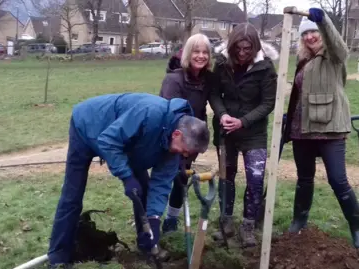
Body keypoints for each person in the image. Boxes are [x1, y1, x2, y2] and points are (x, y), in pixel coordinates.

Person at [46, 93, 210, 268]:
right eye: (185, 150)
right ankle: (58, 256)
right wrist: (127, 177)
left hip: (128, 144)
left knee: (144, 189)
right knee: (73, 194)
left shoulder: (173, 146)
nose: (185, 155)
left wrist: (154, 219)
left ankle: (147, 243)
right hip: (88, 126)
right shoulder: (149, 113)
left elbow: (161, 185)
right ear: (176, 134)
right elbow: (108, 141)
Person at [282, 8, 359, 250]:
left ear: (321, 33)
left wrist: (323, 21)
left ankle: (358, 229)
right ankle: (299, 220)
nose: (310, 37)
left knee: (337, 180)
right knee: (304, 179)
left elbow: (340, 47)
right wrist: (287, 120)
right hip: (302, 130)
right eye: (305, 34)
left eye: (313, 32)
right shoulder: (303, 60)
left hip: (330, 127)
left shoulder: (334, 56)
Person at [209, 23, 279, 247]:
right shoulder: (221, 64)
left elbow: (268, 102)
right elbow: (214, 93)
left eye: (247, 49)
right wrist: (222, 115)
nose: (241, 53)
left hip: (253, 132)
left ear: (255, 47)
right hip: (226, 130)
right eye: (237, 48)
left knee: (256, 178)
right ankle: (226, 221)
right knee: (226, 176)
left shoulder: (265, 68)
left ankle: (248, 225)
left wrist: (244, 121)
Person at [158, 33, 214, 234]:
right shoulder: (174, 79)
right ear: (188, 54)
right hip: (172, 137)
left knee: (181, 179)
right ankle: (152, 220)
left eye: (205, 52)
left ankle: (171, 219)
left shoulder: (207, 79)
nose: (201, 56)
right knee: (165, 177)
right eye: (196, 52)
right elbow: (172, 116)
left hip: (192, 138)